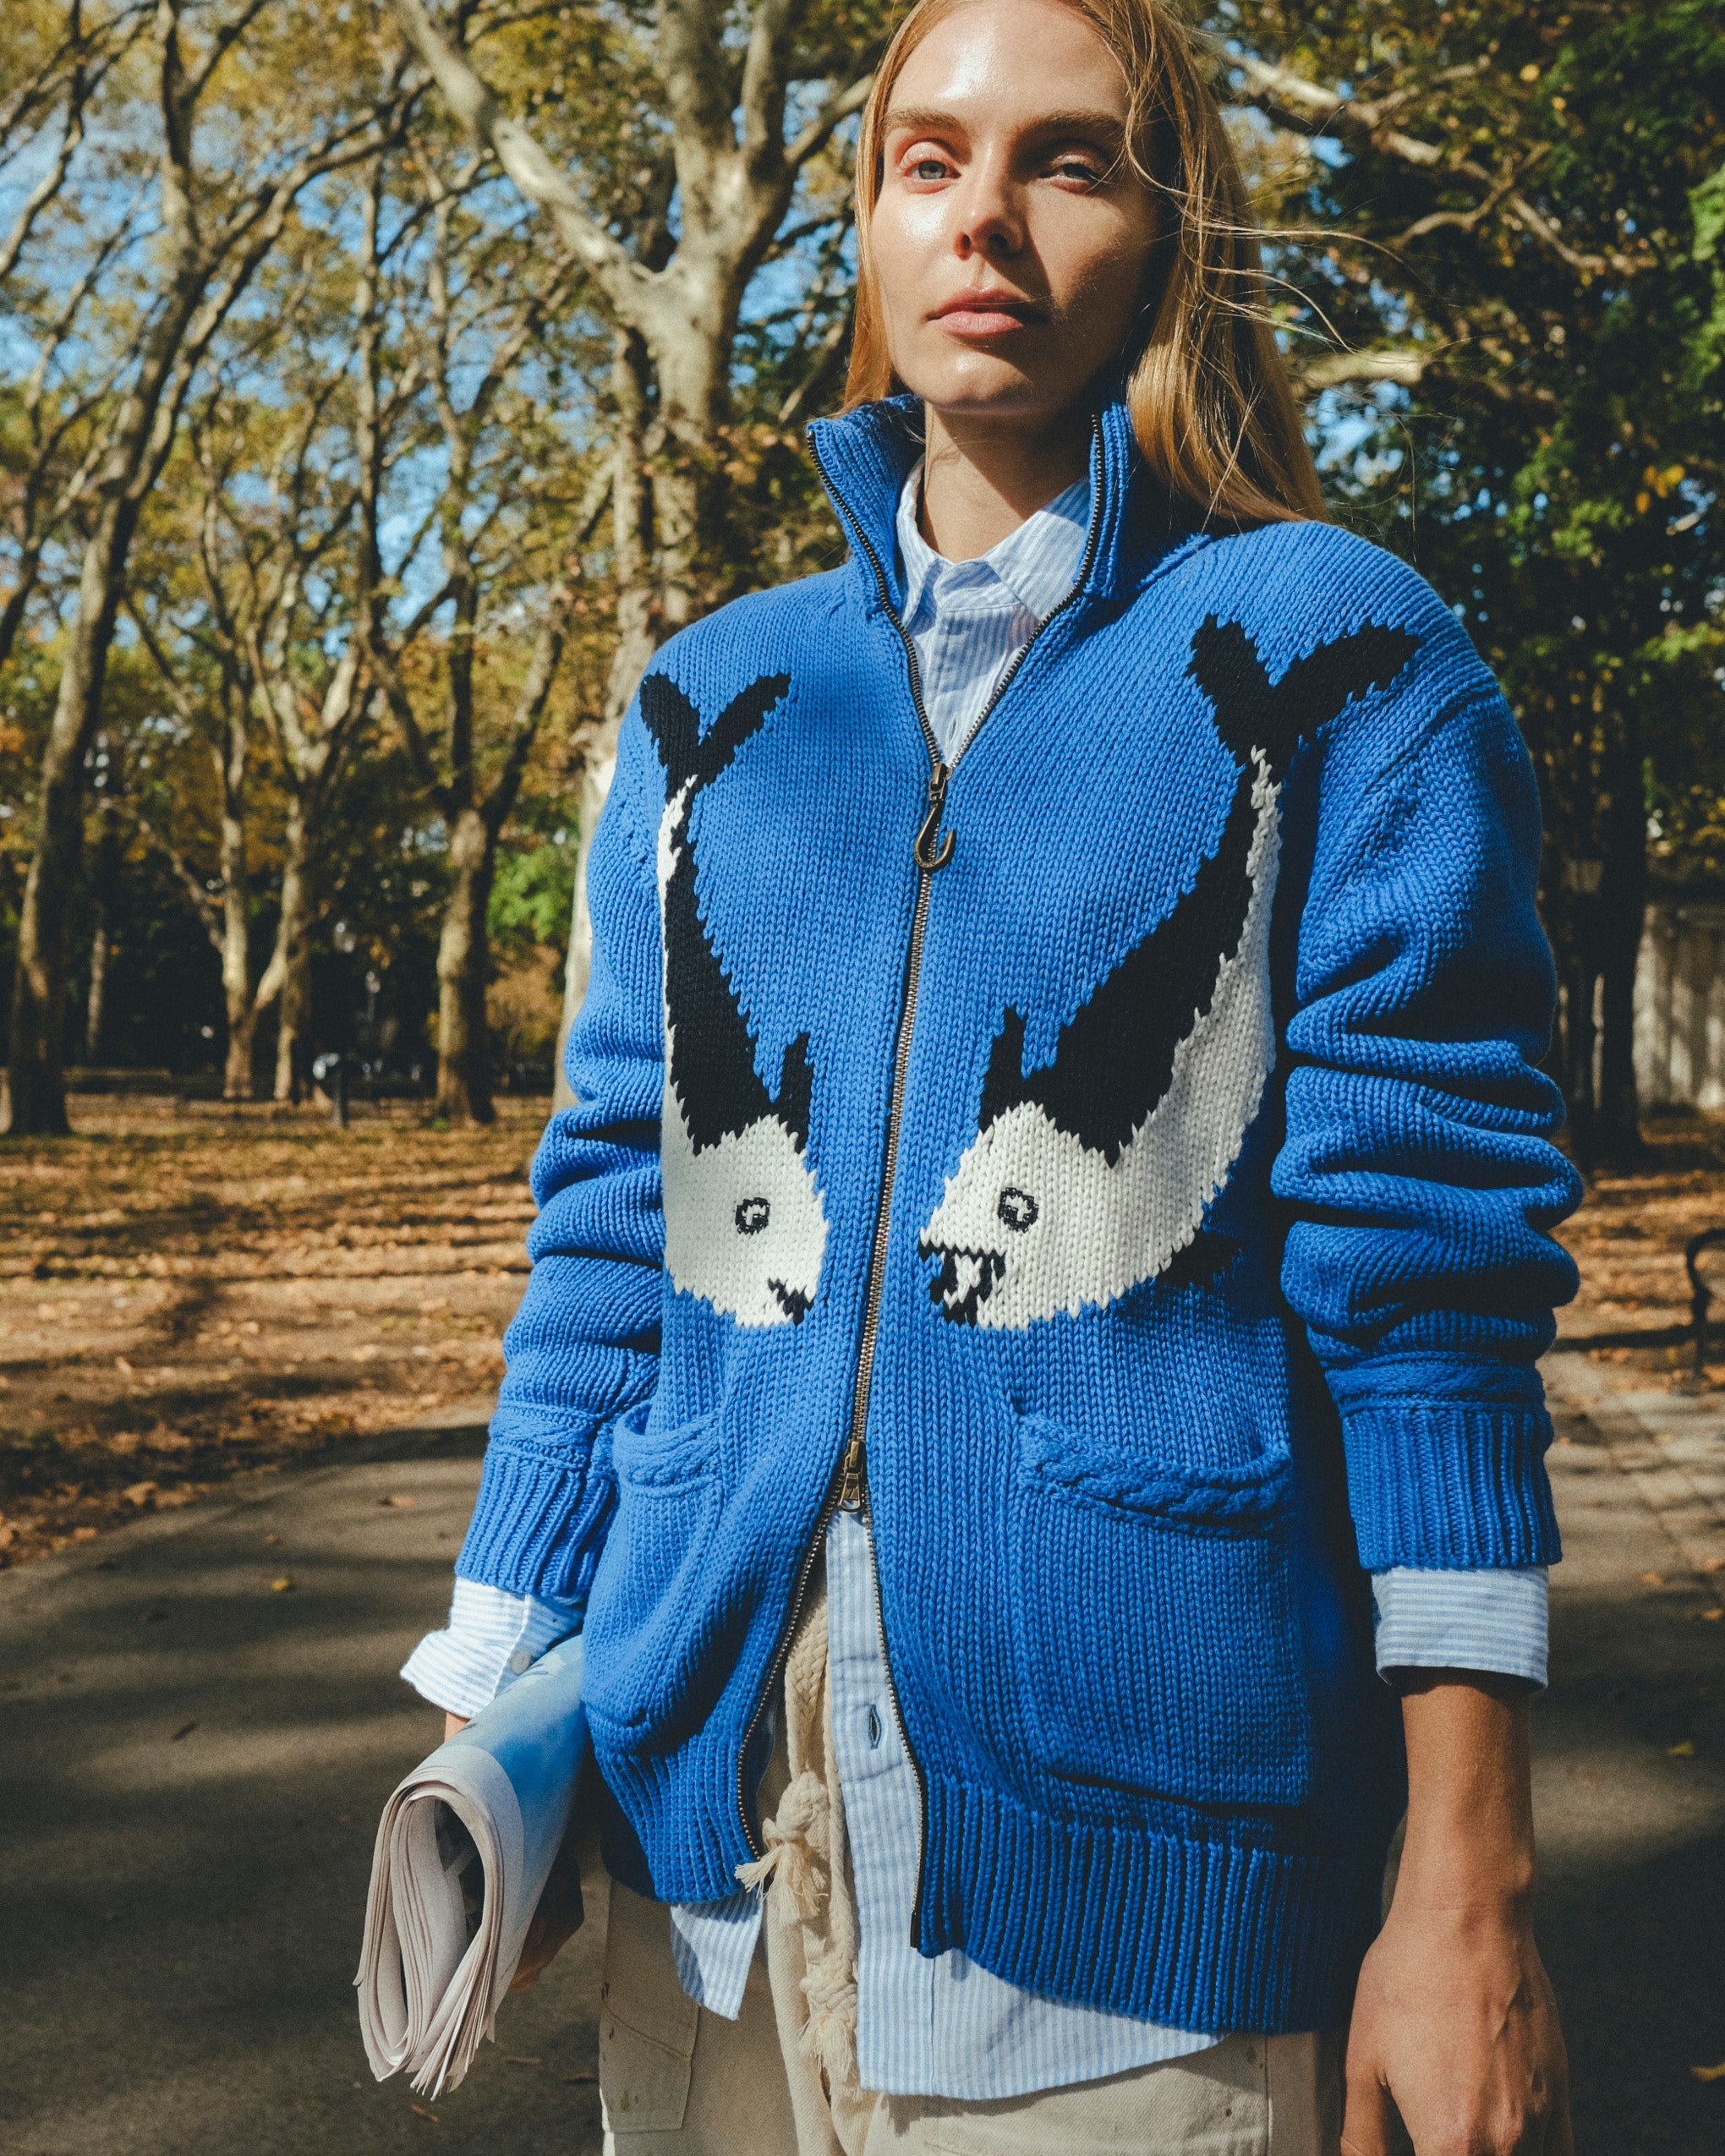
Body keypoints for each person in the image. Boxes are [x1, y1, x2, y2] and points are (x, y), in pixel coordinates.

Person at [402, 0, 1582, 2145]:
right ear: (861, 221)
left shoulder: (1342, 656)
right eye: (927, 161)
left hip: (1140, 1929)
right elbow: (611, 1223)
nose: (990, 226)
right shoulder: (708, 707)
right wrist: (500, 1719)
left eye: (1071, 159)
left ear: (1173, 224)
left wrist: (1468, 1879)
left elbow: (1434, 1287)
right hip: (719, 1887)